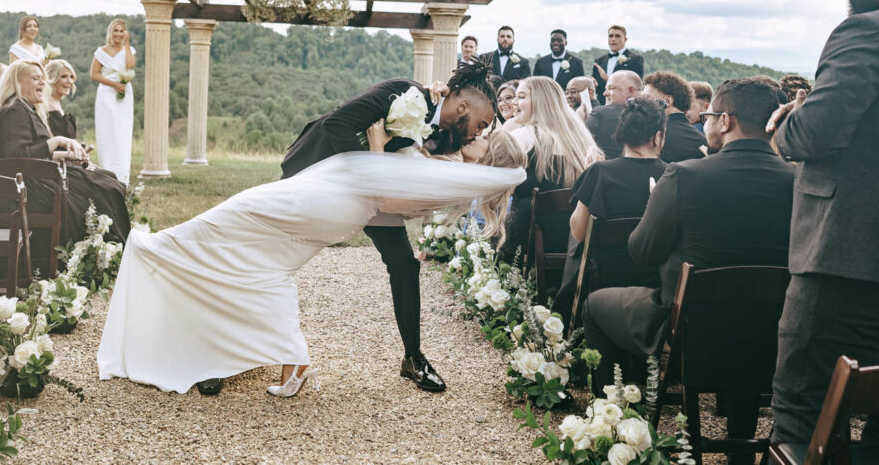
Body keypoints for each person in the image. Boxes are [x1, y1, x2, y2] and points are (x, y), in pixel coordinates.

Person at [98, 124, 525, 397]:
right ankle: (288, 359)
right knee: (260, 268)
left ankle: (156, 251)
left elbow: (385, 196)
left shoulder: (448, 179)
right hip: (327, 205)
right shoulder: (450, 166)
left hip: (324, 204)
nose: (481, 132)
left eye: (488, 135)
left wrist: (377, 144)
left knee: (224, 228)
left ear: (490, 158)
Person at [582, 78, 793, 434]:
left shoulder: (683, 175)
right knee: (748, 314)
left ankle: (610, 422)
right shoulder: (797, 181)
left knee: (593, 305)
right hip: (771, 339)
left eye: (710, 116)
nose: (707, 123)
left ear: (725, 121)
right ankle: (739, 447)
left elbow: (642, 253)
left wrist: (655, 206)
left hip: (691, 338)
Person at [279, 62, 499, 396]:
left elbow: (431, 156)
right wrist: (374, 172)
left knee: (403, 263)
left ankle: (413, 358)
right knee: (276, 259)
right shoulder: (401, 93)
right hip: (316, 173)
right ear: (463, 106)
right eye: (481, 124)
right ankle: (227, 355)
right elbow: (337, 125)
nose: (479, 133)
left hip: (372, 193)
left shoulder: (442, 130)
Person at [767, 0, 879, 451]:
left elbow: (820, 131)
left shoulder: (865, 31)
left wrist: (790, 119)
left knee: (803, 412)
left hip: (844, 260)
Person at [0, 61, 131, 247]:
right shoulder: (14, 111)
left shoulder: (27, 109)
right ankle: (103, 249)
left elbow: (33, 156)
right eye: (36, 78)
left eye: (43, 79)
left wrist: (67, 156)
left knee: (107, 179)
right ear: (17, 83)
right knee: (103, 188)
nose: (42, 84)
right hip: (27, 188)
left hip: (36, 178)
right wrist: (57, 141)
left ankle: (114, 247)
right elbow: (18, 157)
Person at [553, 96, 667, 323]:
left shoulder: (600, 173)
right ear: (657, 137)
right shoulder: (672, 174)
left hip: (604, 277)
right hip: (654, 279)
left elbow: (578, 232)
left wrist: (589, 179)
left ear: (622, 133)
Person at [501, 76, 598, 263]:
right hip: (572, 241)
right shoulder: (580, 139)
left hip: (526, 243)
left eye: (520, 97)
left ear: (540, 102)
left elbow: (501, 190)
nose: (514, 102)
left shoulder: (521, 137)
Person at [91, 19, 136, 185]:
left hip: (124, 94)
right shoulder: (101, 52)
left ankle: (123, 176)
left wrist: (127, 44)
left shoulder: (128, 50)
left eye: (121, 31)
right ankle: (107, 172)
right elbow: (94, 74)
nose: (118, 34)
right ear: (110, 32)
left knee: (122, 132)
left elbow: (130, 65)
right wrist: (113, 84)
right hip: (107, 94)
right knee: (108, 132)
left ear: (125, 33)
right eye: (115, 31)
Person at [643, 71, 706, 163]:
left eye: (647, 98)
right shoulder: (703, 140)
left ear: (667, 101)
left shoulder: (652, 136)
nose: (642, 103)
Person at [585, 70, 643, 160]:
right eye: (605, 89)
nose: (605, 93)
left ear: (630, 90)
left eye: (611, 88)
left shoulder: (600, 114)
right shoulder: (657, 115)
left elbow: (580, 144)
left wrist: (578, 119)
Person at [591, 25, 644, 103]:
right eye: (610, 36)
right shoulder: (599, 60)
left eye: (617, 36)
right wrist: (591, 82)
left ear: (625, 39)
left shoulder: (635, 59)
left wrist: (607, 78)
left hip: (625, 107)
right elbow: (597, 87)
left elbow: (636, 86)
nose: (613, 39)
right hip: (602, 105)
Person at [45, 59, 78, 140]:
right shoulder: (44, 104)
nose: (69, 81)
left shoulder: (57, 103)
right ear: (52, 78)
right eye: (64, 77)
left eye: (71, 77)